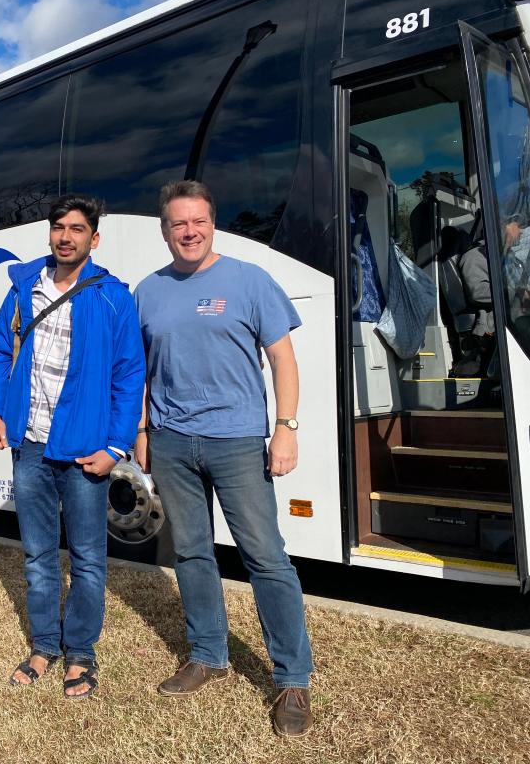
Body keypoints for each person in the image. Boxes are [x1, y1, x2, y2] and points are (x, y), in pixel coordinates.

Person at [133, 180, 315, 736]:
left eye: (198, 222)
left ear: (213, 224)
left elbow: (283, 359)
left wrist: (285, 429)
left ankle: (292, 678)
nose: (189, 232)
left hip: (237, 441)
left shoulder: (248, 280)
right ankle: (207, 654)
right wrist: (141, 428)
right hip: (170, 441)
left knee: (265, 557)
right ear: (164, 230)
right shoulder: (148, 291)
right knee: (190, 553)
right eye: (177, 224)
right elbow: (138, 369)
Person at [0, 194, 145, 699]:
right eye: (58, 227)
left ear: (93, 239)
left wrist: (116, 446)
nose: (65, 236)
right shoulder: (21, 289)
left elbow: (128, 375)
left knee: (89, 559)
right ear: (50, 234)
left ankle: (81, 654)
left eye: (77, 229)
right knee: (37, 555)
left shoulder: (113, 297)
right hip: (28, 444)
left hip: (83, 450)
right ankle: (44, 646)